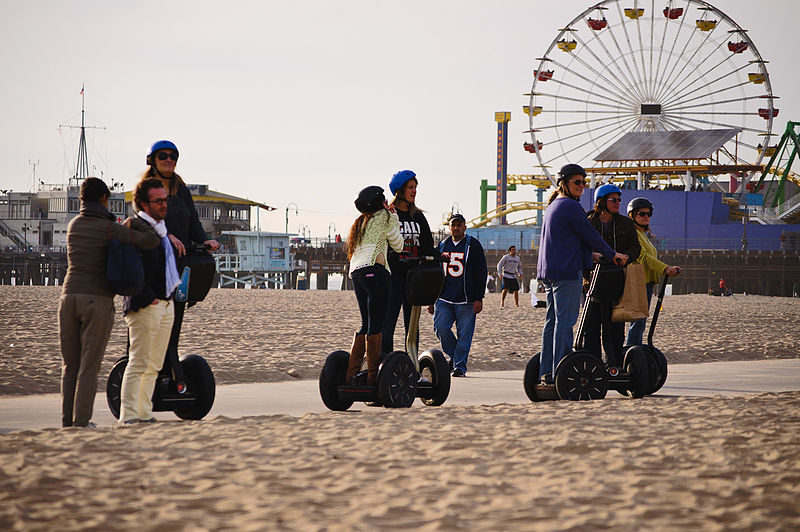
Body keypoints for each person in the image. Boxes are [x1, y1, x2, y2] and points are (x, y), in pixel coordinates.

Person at [58, 177, 160, 428]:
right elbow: (151, 241)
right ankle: (82, 421)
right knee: (89, 366)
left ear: (82, 200)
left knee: (70, 365)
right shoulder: (108, 228)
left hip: (68, 297)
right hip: (98, 300)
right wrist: (136, 222)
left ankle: (66, 421)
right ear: (104, 199)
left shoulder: (73, 225)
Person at [537, 164, 628, 383]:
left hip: (549, 270)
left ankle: (546, 371)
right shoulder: (570, 206)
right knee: (565, 323)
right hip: (566, 271)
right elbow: (589, 235)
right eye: (577, 182)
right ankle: (560, 371)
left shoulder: (553, 206)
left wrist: (591, 256)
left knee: (552, 322)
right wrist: (611, 253)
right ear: (563, 183)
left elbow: (566, 240)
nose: (582, 186)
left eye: (583, 182)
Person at [140, 140, 220, 367]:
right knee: (154, 320)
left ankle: (170, 362)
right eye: (163, 156)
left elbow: (193, 221)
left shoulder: (180, 189)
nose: (169, 160)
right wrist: (167, 235)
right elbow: (142, 220)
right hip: (154, 263)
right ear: (152, 161)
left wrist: (205, 240)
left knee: (174, 320)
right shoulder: (146, 189)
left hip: (180, 264)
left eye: (173, 156)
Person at [118, 179, 181, 424]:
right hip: (146, 305)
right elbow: (129, 268)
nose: (164, 205)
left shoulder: (162, 229)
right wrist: (149, 297)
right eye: (159, 201)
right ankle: (128, 415)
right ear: (144, 203)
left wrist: (167, 299)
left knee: (153, 364)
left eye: (166, 200)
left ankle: (143, 413)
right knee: (138, 361)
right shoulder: (134, 226)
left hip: (166, 303)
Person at [345, 186, 404, 386]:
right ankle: (372, 379)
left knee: (365, 324)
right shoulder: (384, 217)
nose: (388, 203)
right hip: (375, 271)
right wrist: (394, 218)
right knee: (376, 326)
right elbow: (398, 245)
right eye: (384, 200)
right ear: (379, 203)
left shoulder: (360, 221)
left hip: (357, 274)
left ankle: (351, 375)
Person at [583, 183, 641, 371]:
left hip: (617, 281)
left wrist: (626, 257)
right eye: (613, 200)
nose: (618, 203)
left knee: (615, 327)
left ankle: (614, 364)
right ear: (601, 202)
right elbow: (579, 245)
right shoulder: (588, 221)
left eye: (619, 200)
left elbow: (635, 248)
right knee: (591, 326)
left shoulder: (625, 223)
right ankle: (593, 365)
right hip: (592, 281)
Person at [381, 170, 437, 354]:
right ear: (399, 190)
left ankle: (411, 363)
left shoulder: (418, 217)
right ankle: (386, 362)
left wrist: (440, 257)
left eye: (415, 188)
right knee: (388, 323)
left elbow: (428, 246)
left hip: (414, 278)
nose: (414, 191)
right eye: (410, 188)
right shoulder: (388, 215)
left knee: (412, 326)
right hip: (392, 278)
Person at [427, 214, 487, 377]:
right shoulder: (442, 245)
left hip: (466, 299)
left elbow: (481, 272)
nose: (456, 228)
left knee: (464, 334)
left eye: (459, 225)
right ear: (450, 227)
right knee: (440, 328)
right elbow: (435, 272)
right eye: (453, 225)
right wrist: (431, 299)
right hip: (444, 297)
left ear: (465, 227)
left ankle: (460, 366)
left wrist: (478, 298)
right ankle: (455, 356)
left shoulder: (472, 245)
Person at [624, 197, 681, 345]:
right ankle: (632, 352)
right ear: (632, 215)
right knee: (638, 322)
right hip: (639, 282)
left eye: (648, 214)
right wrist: (665, 269)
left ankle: (636, 349)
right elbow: (643, 257)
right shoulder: (634, 234)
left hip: (647, 282)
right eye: (641, 214)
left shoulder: (643, 234)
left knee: (641, 322)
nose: (646, 217)